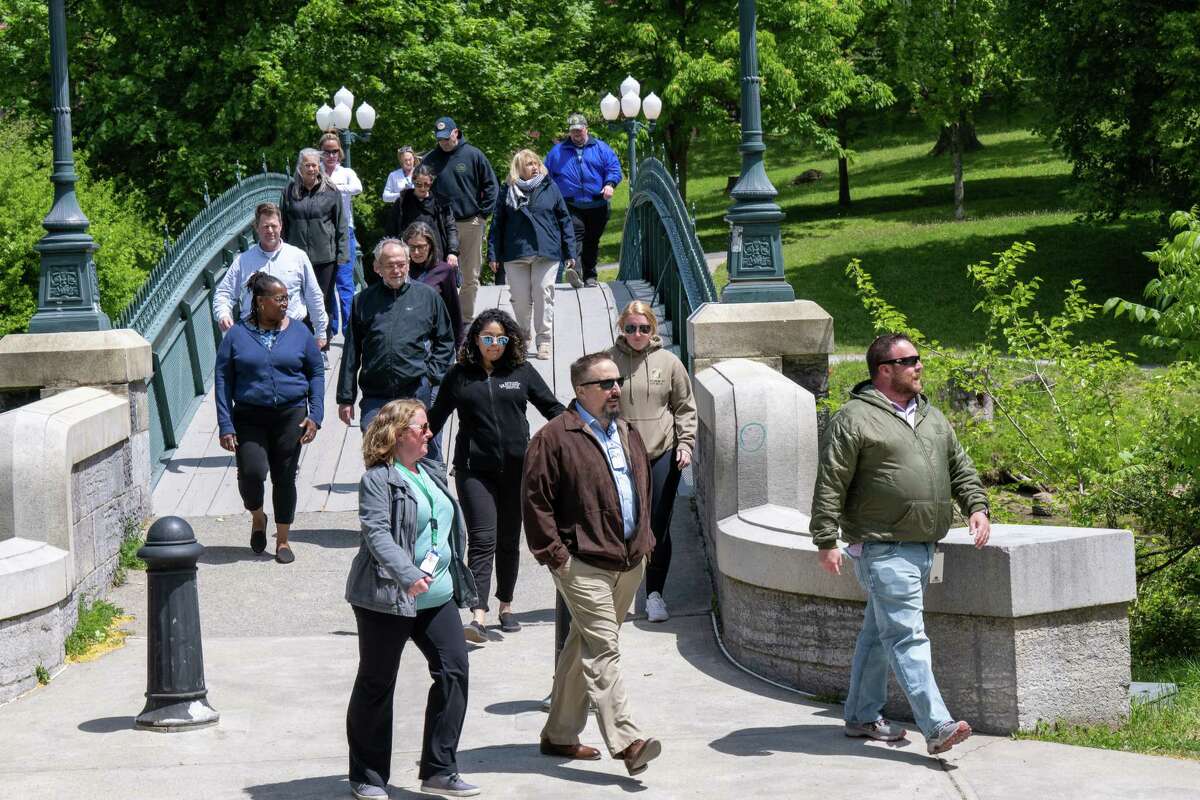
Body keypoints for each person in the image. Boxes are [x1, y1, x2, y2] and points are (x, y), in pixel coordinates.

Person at [810, 333, 991, 756]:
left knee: (879, 636)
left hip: (924, 546)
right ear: (884, 370)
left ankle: (859, 716)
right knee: (908, 636)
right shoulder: (854, 418)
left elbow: (959, 466)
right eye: (908, 360)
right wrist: (825, 537)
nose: (919, 366)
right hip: (882, 548)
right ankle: (937, 725)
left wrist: (977, 506)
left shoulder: (930, 417)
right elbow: (831, 480)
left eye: (919, 358)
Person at [523, 352, 662, 777]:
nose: (616, 388)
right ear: (581, 390)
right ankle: (628, 741)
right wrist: (558, 558)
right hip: (581, 564)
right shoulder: (553, 437)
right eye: (605, 384)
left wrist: (645, 538)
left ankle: (559, 735)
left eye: (617, 381)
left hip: (629, 560)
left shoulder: (627, 431)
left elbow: (642, 487)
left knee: (581, 645)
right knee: (605, 648)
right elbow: (535, 502)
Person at [344, 398, 480, 799]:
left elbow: (445, 529)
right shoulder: (378, 480)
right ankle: (367, 776)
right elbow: (377, 532)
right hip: (387, 598)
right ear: (398, 433)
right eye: (422, 428)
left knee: (454, 672)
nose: (429, 433)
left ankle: (439, 768)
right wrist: (406, 574)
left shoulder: (431, 471)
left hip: (436, 596)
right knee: (377, 683)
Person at [429, 309, 564, 644]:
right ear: (476, 339)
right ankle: (478, 614)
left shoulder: (522, 371)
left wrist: (573, 436)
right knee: (482, 538)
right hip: (474, 470)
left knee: (508, 539)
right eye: (487, 338)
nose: (494, 345)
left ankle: (506, 604)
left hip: (519, 470)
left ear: (510, 341)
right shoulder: (460, 376)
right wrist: (405, 446)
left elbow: (553, 409)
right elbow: (434, 419)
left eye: (500, 339)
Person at [214, 272, 323, 565]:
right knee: (252, 473)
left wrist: (316, 415)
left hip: (291, 414)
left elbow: (316, 372)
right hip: (250, 416)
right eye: (279, 299)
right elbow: (223, 379)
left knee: (284, 476)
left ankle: (283, 540)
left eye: (287, 297)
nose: (285, 303)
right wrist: (225, 424)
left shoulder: (300, 332)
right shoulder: (236, 335)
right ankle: (258, 515)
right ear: (261, 302)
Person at [605, 301, 695, 623]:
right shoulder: (608, 363)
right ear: (622, 329)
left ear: (653, 329)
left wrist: (686, 444)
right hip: (620, 456)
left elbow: (685, 407)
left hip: (661, 453)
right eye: (631, 328)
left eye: (644, 328)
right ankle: (620, 590)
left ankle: (654, 594)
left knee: (657, 524)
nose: (637, 334)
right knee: (622, 524)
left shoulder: (668, 362)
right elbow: (594, 405)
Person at [337, 239, 455, 432]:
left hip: (415, 392)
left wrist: (431, 376)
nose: (397, 270)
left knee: (419, 453)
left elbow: (445, 340)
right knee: (376, 455)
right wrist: (345, 398)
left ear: (408, 264)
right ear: (377, 267)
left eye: (401, 264)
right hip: (375, 395)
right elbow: (351, 352)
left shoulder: (428, 296)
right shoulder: (362, 301)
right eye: (390, 265)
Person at [487, 149, 575, 361]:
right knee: (520, 299)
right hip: (516, 251)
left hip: (546, 250)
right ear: (518, 168)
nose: (535, 167)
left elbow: (564, 218)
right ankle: (523, 336)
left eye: (536, 163)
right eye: (529, 164)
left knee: (543, 292)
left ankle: (544, 340)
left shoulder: (549, 186)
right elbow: (498, 223)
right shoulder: (507, 189)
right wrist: (493, 254)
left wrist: (570, 250)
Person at [213, 202, 327, 351]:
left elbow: (314, 295)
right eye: (265, 226)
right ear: (257, 228)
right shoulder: (243, 261)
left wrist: (320, 331)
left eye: (273, 225)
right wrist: (223, 314)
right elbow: (224, 293)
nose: (270, 230)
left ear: (281, 225)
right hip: (252, 337)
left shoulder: (298, 257)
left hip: (291, 335)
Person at [421, 117, 498, 326]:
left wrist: (482, 214)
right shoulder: (429, 160)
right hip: (440, 225)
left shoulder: (473, 155)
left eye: (447, 138)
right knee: (438, 272)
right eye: (440, 139)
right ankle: (442, 317)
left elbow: (492, 185)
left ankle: (464, 320)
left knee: (470, 275)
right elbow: (419, 188)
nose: (444, 143)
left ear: (456, 132)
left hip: (469, 222)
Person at [403, 220, 464, 463]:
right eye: (411, 247)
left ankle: (435, 464)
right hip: (409, 350)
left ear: (430, 246)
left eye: (421, 247)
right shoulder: (400, 271)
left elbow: (454, 312)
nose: (416, 252)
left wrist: (460, 348)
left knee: (433, 410)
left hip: (438, 349)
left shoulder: (443, 271)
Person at [280, 147, 348, 352]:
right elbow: (282, 223)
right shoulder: (289, 191)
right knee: (297, 302)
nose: (311, 168)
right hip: (296, 257)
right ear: (300, 167)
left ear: (319, 167)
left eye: (314, 165)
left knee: (322, 303)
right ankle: (303, 345)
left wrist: (342, 254)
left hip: (325, 258)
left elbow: (341, 224)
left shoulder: (331, 191)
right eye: (307, 165)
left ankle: (323, 347)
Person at [544, 113, 623, 289]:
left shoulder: (601, 148)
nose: (576, 134)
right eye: (573, 132)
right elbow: (546, 174)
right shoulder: (557, 152)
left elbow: (614, 169)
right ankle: (576, 273)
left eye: (579, 130)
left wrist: (610, 184)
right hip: (571, 205)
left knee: (592, 240)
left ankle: (590, 276)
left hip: (598, 204)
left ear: (586, 129)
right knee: (575, 237)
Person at [319, 132, 363, 344]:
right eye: (327, 151)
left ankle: (349, 333)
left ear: (340, 153)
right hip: (322, 235)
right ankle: (330, 328)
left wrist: (335, 187)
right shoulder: (314, 172)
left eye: (335, 151)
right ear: (321, 153)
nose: (331, 155)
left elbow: (357, 187)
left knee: (345, 284)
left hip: (345, 232)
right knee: (327, 286)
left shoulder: (345, 173)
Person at [385, 164, 459, 268]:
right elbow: (391, 228)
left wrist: (453, 252)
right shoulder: (403, 201)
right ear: (413, 182)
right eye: (418, 184)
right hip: (410, 253)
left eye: (426, 184)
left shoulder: (441, 202)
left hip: (436, 253)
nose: (423, 188)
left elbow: (451, 228)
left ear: (431, 183)